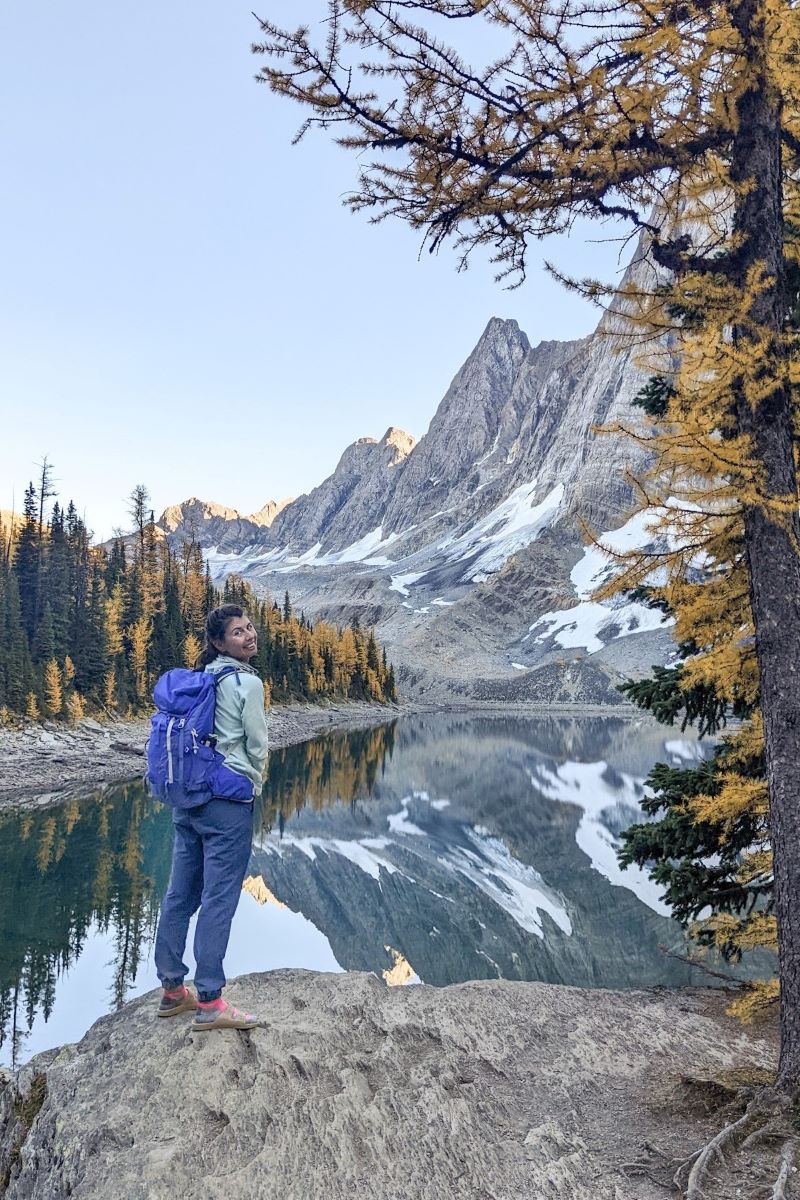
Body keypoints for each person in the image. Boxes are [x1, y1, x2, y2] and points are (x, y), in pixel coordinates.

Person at [153, 604, 269, 1030]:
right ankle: (210, 1002)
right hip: (227, 803)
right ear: (220, 642)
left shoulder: (201, 678)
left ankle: (171, 991)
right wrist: (254, 781)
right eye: (238, 632)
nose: (249, 635)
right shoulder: (245, 682)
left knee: (179, 895)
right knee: (219, 899)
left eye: (250, 627)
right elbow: (257, 743)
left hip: (190, 799)